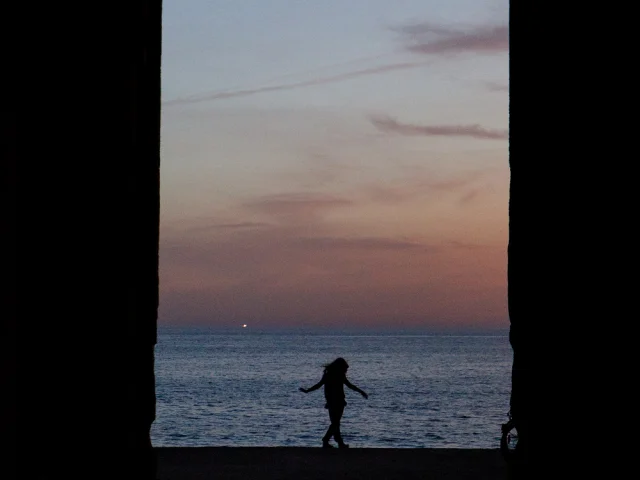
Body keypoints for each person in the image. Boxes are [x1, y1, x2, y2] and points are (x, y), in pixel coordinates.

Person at [299, 357, 368, 448]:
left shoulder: (328, 374)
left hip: (331, 401)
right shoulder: (339, 375)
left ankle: (339, 442)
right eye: (345, 369)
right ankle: (326, 440)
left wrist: (307, 391)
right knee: (336, 423)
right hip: (338, 401)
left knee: (335, 422)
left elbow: (319, 385)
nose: (346, 371)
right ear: (341, 367)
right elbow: (350, 385)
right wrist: (361, 391)